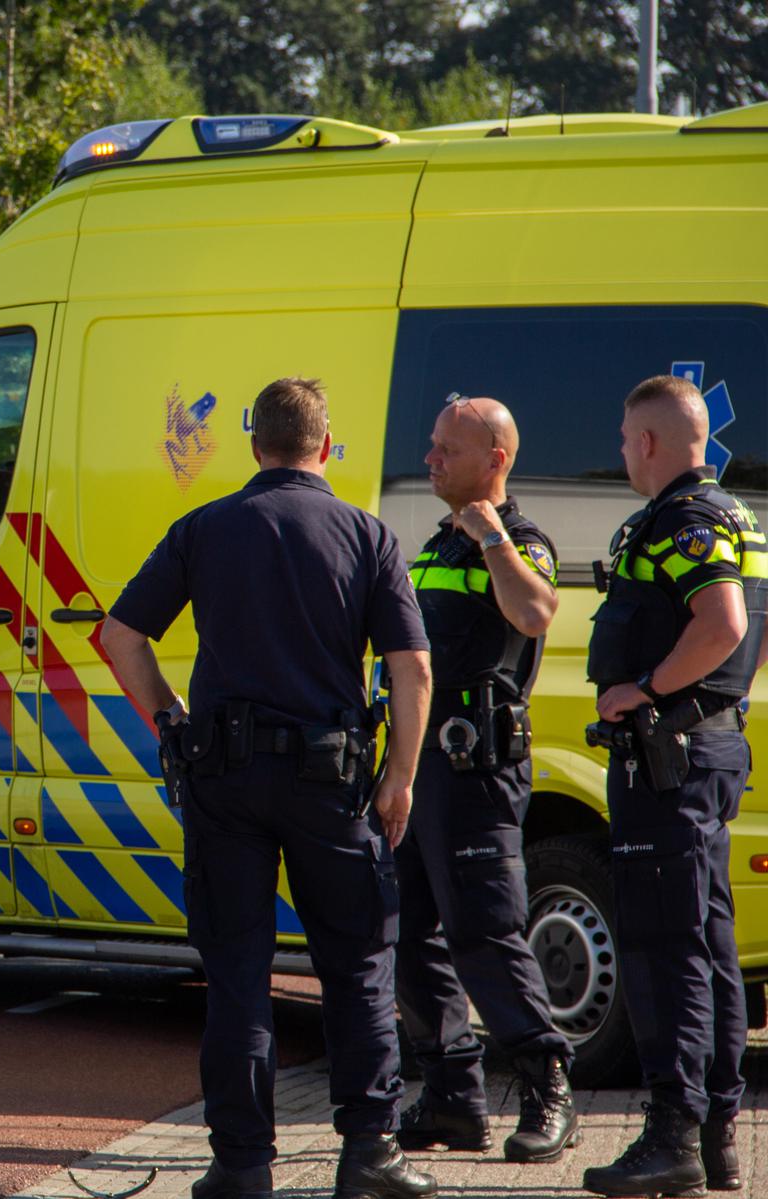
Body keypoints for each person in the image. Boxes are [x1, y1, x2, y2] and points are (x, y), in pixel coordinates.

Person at [101, 377, 437, 1199]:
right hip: (332, 781)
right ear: (325, 447)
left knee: (239, 973)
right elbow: (413, 667)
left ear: (256, 445)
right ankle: (369, 1157)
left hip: (224, 777)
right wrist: (399, 780)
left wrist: (172, 719)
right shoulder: (368, 535)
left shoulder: (206, 527)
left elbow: (119, 634)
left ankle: (243, 1164)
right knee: (357, 965)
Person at [581, 375, 766, 1197]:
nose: (622, 453)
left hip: (669, 761)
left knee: (663, 950)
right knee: (708, 944)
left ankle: (671, 1136)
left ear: (650, 441)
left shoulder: (683, 520)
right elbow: (755, 634)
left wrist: (651, 690)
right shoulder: (738, 516)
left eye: (626, 440)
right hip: (704, 750)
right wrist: (718, 698)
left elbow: (724, 621)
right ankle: (720, 1133)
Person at [393, 395, 578, 1164]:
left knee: (486, 933)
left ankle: (547, 1084)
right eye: (433, 446)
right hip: (418, 766)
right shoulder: (436, 543)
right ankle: (452, 1096)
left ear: (494, 459)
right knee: (407, 933)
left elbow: (536, 611)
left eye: (447, 449)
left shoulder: (520, 539)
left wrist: (494, 535)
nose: (430, 458)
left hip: (478, 772)